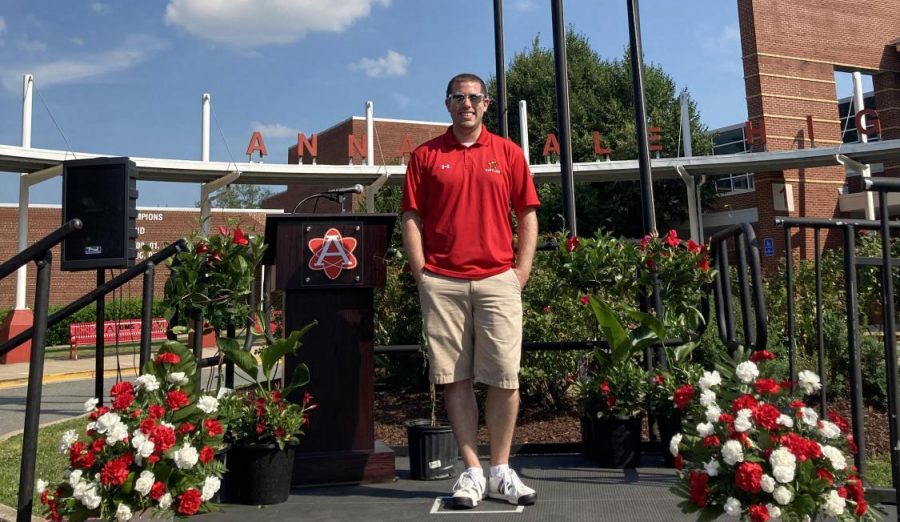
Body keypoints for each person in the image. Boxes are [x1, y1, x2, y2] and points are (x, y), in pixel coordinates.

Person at [401, 72, 540, 509]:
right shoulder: (425, 156)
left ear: (485, 104)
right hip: (442, 281)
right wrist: (421, 270)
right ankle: (472, 471)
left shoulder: (508, 153)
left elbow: (528, 213)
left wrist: (522, 270)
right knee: (454, 378)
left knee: (504, 377)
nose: (466, 104)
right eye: (458, 97)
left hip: (499, 278)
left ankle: (500, 470)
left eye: (474, 97)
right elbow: (411, 217)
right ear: (447, 104)